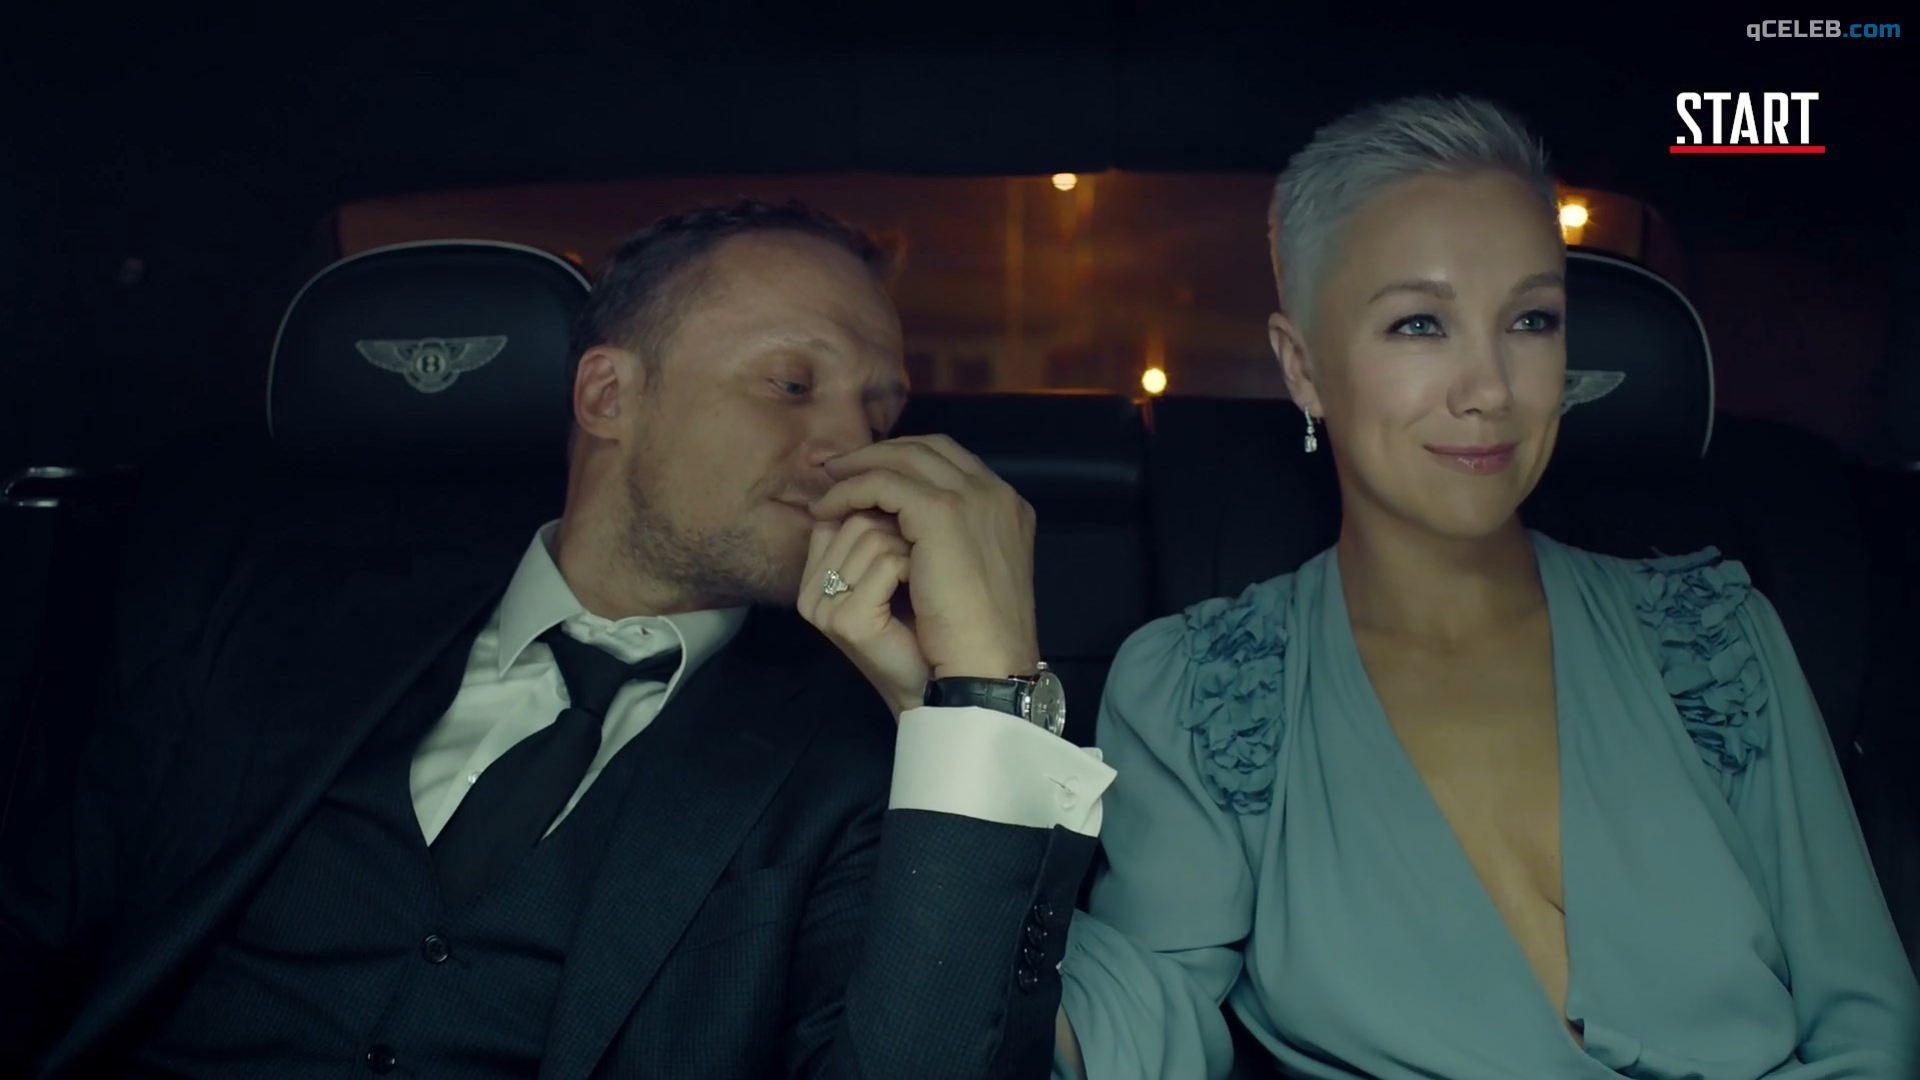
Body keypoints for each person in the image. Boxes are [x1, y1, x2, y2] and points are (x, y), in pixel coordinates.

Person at [0, 199, 1116, 1078]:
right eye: (792, 383)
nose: (851, 445)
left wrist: (983, 699)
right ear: (608, 395)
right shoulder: (266, 618)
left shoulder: (870, 751)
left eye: (880, 409)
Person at [1052, 96, 1919, 1079]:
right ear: (1304, 368)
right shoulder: (1208, 693)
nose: (1491, 389)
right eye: (1420, 323)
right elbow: (1139, 1032)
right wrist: (973, 700)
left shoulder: (1716, 643)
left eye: (1531, 320)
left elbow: (1869, 1029)